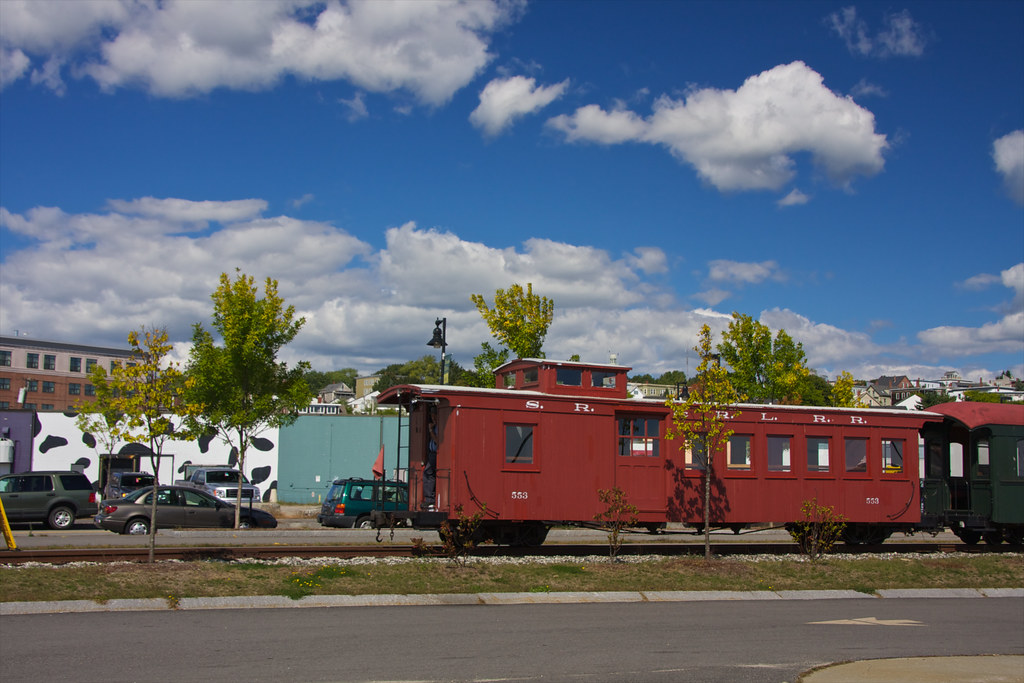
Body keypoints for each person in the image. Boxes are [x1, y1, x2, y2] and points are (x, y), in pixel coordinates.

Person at [422, 409, 437, 510]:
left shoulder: (438, 428)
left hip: (436, 454)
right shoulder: (436, 426)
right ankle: (429, 498)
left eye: (434, 416)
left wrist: (431, 430)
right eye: (431, 417)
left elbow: (437, 441)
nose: (433, 418)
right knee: (428, 473)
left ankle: (430, 498)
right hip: (432, 454)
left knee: (428, 473)